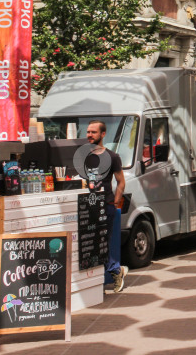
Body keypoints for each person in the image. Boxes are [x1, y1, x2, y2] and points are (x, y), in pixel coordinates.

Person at [85, 120, 127, 293]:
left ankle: (116, 272)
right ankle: (96, 281)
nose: (89, 135)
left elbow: (121, 182)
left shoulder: (112, 157)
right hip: (87, 206)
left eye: (93, 132)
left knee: (104, 243)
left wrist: (115, 202)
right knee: (91, 245)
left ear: (103, 134)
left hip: (106, 205)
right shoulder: (83, 156)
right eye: (88, 132)